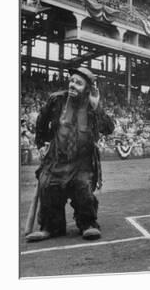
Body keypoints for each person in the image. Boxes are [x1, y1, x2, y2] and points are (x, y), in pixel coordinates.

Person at [26, 67, 115, 242]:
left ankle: (88, 224)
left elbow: (108, 129)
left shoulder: (92, 105)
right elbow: (41, 121)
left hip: (82, 162)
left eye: (78, 83)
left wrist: (97, 107)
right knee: (47, 186)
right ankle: (50, 228)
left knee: (83, 188)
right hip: (56, 158)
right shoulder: (56, 100)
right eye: (72, 81)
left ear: (87, 89)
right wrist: (42, 143)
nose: (73, 85)